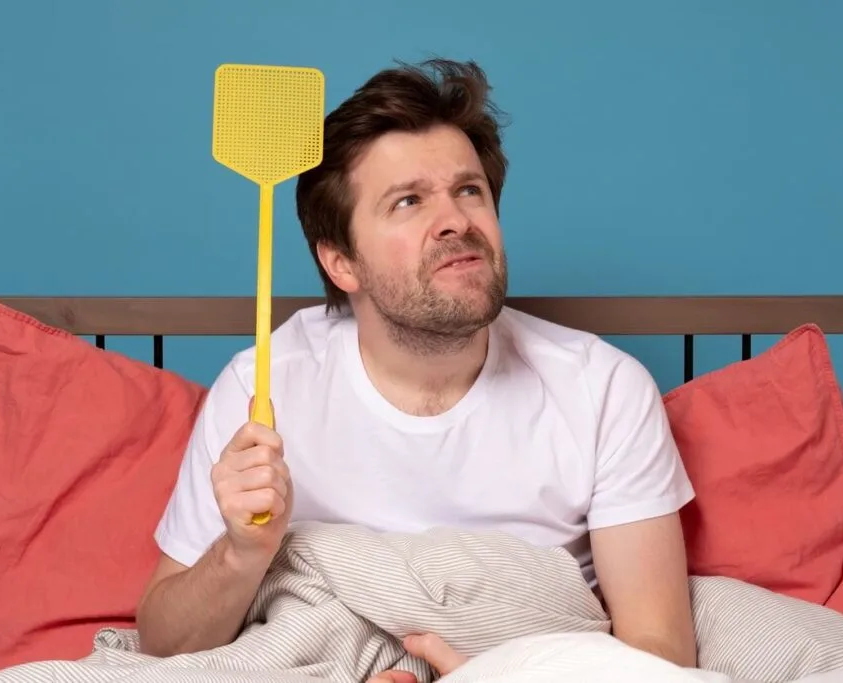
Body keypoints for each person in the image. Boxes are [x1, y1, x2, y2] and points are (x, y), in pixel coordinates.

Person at [135, 57, 698, 675]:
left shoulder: (603, 388)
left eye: (469, 190)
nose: (457, 220)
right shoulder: (262, 387)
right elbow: (163, 647)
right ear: (341, 263)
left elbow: (659, 655)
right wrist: (243, 553)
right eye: (408, 201)